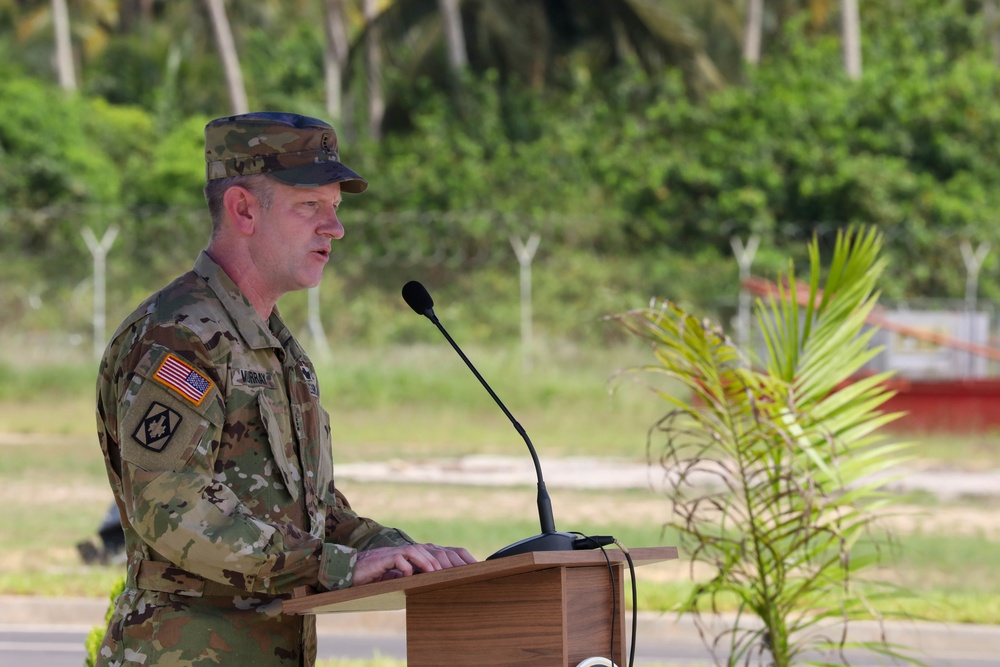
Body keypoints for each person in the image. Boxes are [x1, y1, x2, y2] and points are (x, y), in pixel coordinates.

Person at [94, 111, 476, 666]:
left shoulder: (275, 347)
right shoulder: (181, 338)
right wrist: (333, 565)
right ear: (244, 209)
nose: (334, 228)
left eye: (336, 209)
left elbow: (311, 512)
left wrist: (391, 550)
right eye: (309, 207)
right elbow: (171, 509)